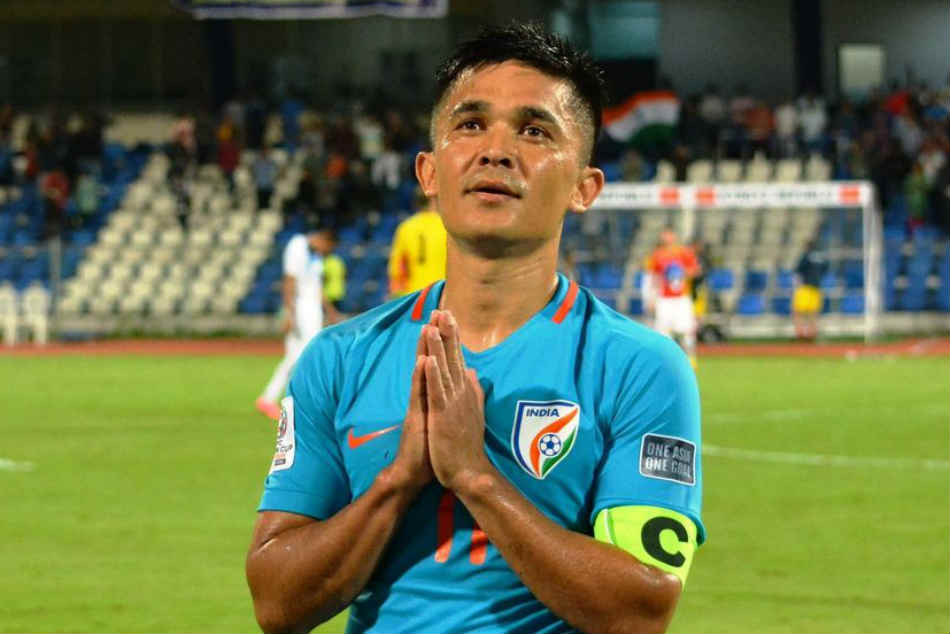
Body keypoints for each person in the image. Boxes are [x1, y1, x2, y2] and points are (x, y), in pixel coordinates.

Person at [246, 23, 704, 634]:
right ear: (429, 172)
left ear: (584, 187)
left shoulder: (641, 368)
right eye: (470, 124)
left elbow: (641, 611)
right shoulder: (338, 358)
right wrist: (396, 481)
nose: (495, 150)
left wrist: (475, 477)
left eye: (535, 131)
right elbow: (276, 604)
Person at [255, 227, 341, 420]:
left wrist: (330, 311)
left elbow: (316, 287)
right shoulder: (298, 246)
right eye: (328, 249)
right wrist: (289, 313)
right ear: (324, 240)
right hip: (301, 308)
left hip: (311, 309)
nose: (327, 253)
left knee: (295, 356)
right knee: (307, 354)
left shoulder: (316, 256)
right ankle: (288, 400)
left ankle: (272, 399)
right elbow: (289, 280)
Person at [645, 228, 702, 367]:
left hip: (682, 297)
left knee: (686, 329)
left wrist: (681, 272)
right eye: (664, 235)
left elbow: (696, 270)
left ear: (674, 236)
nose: (667, 238)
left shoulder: (684, 253)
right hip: (664, 299)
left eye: (669, 235)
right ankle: (668, 360)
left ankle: (690, 358)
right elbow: (653, 277)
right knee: (663, 331)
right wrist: (651, 298)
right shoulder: (657, 255)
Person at [387, 188, 448, 297]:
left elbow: (397, 269)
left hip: (414, 296)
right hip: (442, 294)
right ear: (434, 200)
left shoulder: (405, 227)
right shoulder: (447, 226)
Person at [793, 239, 826, 340]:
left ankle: (800, 334)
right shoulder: (821, 257)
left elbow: (797, 270)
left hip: (805, 287)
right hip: (816, 287)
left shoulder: (806, 256)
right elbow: (825, 269)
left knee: (799, 312)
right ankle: (812, 333)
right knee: (814, 312)